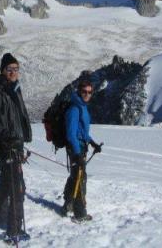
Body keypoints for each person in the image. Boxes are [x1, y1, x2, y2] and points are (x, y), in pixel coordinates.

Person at [0, 53, 32, 242]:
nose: (13, 72)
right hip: (6, 145)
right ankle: (14, 231)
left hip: (15, 144)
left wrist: (22, 139)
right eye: (9, 69)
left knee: (6, 183)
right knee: (16, 187)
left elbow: (19, 117)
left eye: (16, 69)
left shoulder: (14, 89)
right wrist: (5, 136)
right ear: (3, 71)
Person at [62, 80, 102, 222]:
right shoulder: (75, 108)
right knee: (80, 178)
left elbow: (82, 131)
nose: (87, 94)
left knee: (75, 176)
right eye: (84, 91)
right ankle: (79, 213)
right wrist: (77, 153)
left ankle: (68, 204)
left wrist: (92, 142)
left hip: (80, 147)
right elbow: (71, 134)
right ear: (79, 92)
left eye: (89, 92)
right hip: (76, 148)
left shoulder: (82, 106)